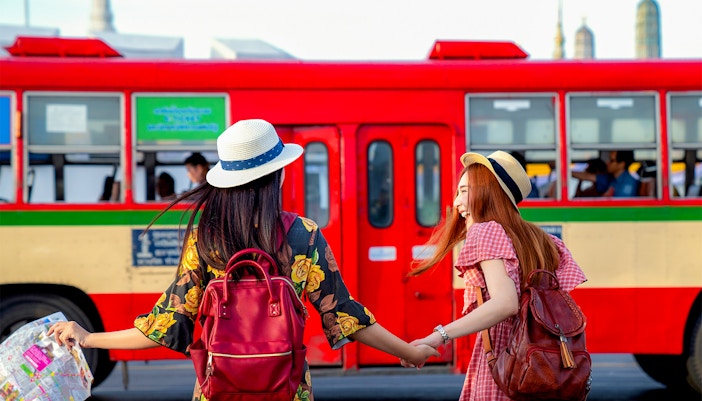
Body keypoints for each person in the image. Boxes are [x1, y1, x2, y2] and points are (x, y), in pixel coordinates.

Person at [48, 119, 438, 401]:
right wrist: (412, 352)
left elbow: (165, 326)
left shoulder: (206, 237)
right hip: (286, 391)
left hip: (217, 390)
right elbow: (347, 318)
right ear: (276, 176)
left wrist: (87, 337)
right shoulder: (303, 235)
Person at [401, 150, 587, 400]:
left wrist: (437, 337)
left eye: (465, 191)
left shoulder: (486, 232)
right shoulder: (542, 239)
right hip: (540, 364)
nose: (457, 202)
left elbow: (505, 303)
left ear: (488, 192)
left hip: (506, 360)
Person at [572, 150, 639, 197]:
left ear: (621, 164)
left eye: (611, 160)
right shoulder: (610, 178)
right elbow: (587, 176)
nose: (607, 162)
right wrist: (565, 172)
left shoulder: (630, 182)